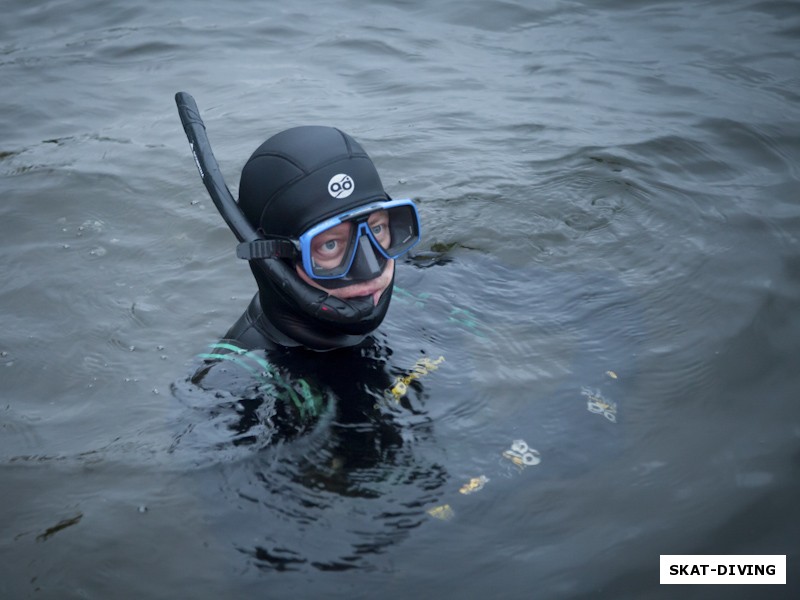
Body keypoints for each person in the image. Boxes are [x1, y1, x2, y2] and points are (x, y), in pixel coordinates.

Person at [223, 125, 421, 352]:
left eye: (376, 230)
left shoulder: (439, 284)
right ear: (272, 260)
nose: (369, 269)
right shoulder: (231, 380)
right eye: (330, 245)